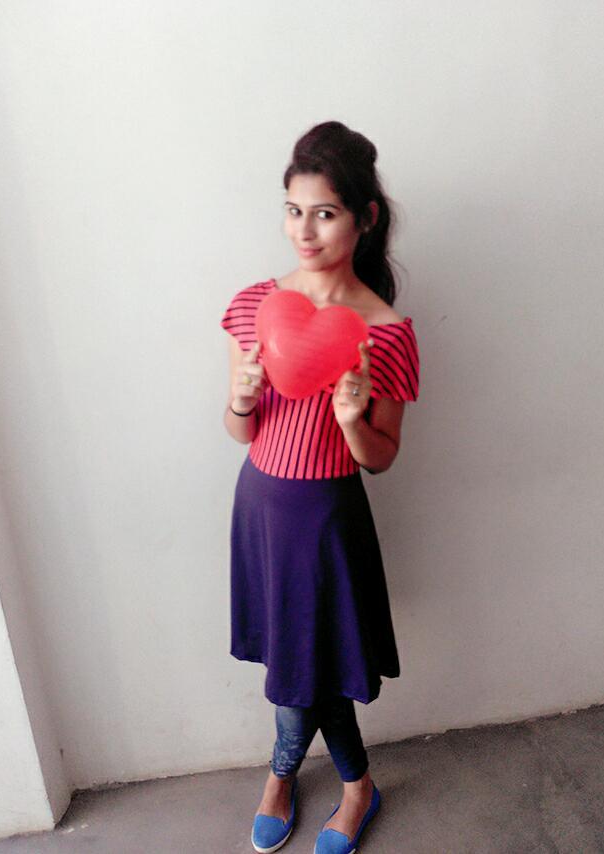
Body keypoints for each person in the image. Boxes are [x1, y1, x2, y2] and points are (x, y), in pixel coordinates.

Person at [220, 121, 420, 854]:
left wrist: (350, 421)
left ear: (364, 218)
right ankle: (348, 785)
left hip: (328, 519)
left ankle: (287, 777)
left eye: (325, 213)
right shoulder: (256, 304)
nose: (303, 230)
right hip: (260, 508)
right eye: (293, 210)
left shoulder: (386, 333)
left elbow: (382, 458)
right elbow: (239, 431)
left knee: (309, 669)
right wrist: (241, 399)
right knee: (301, 662)